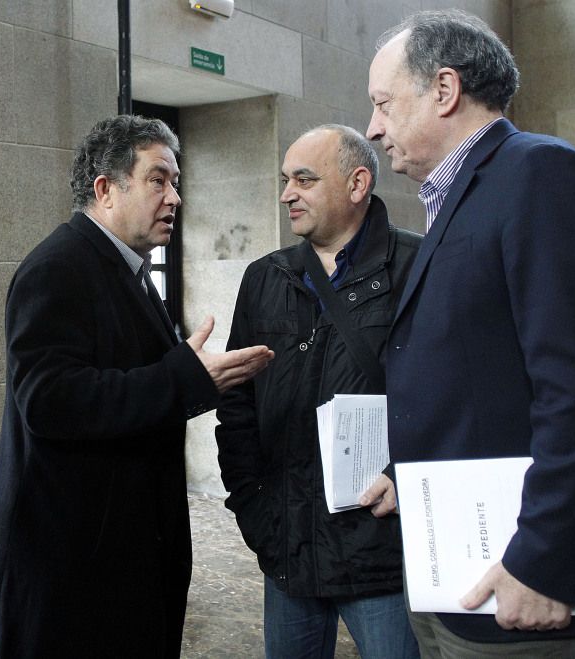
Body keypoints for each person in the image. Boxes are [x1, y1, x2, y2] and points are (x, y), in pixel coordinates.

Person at [365, 9, 575, 657]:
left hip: (520, 580)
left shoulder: (541, 175)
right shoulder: (457, 194)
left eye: (383, 104)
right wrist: (409, 468)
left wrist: (544, 560)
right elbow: (475, 365)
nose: (373, 128)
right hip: (452, 565)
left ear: (445, 90)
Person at [0, 115, 274, 658]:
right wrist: (187, 377)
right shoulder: (57, 268)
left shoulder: (125, 269)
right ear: (105, 189)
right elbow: (51, 401)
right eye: (158, 180)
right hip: (75, 573)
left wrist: (192, 378)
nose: (174, 197)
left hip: (120, 558)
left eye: (175, 183)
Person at [216, 124, 421, 659]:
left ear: (357, 184)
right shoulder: (266, 278)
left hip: (381, 551)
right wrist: (251, 507)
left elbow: (453, 399)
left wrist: (406, 475)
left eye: (304, 179)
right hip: (288, 546)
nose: (287, 193)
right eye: (285, 180)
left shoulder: (416, 268)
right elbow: (237, 405)